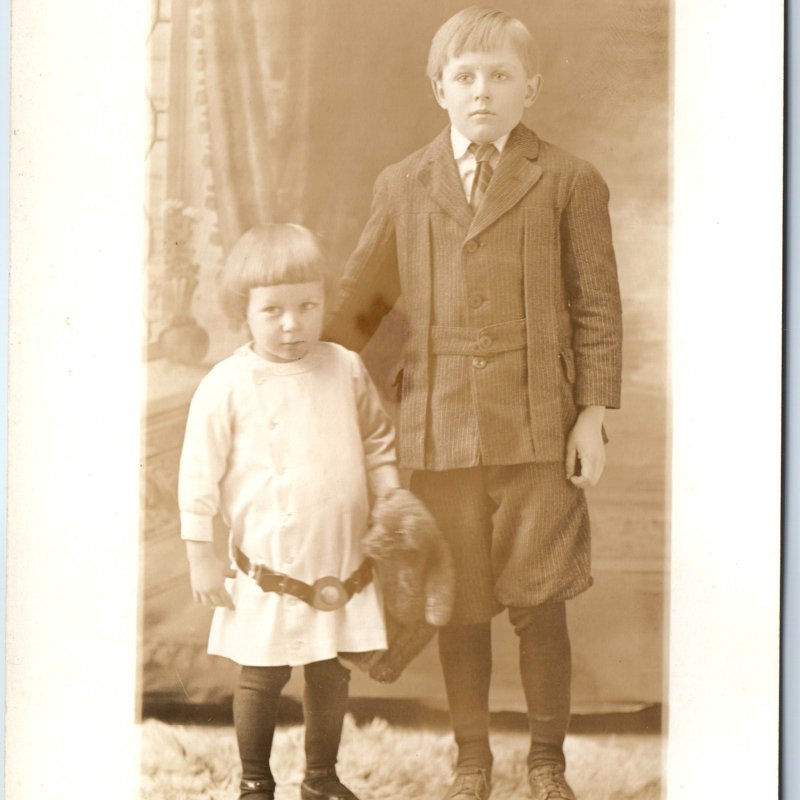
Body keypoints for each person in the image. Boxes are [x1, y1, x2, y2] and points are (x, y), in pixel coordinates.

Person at [325, 7, 623, 800]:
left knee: (540, 600)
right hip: (437, 428)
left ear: (531, 87)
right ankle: (471, 761)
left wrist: (591, 414)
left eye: (499, 76)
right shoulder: (404, 183)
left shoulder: (568, 181)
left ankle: (547, 764)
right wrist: (303, 384)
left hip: (538, 428)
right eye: (465, 77)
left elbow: (595, 305)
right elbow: (360, 308)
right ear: (439, 90)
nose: (482, 91)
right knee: (459, 604)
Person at [178, 224, 401, 800]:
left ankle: (321, 777)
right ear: (242, 312)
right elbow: (198, 473)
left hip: (339, 559)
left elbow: (377, 440)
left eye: (307, 306)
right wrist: (200, 553)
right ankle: (256, 780)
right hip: (268, 563)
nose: (292, 324)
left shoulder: (344, 366)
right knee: (262, 673)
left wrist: (389, 495)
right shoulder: (227, 384)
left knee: (330, 668)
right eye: (272, 309)